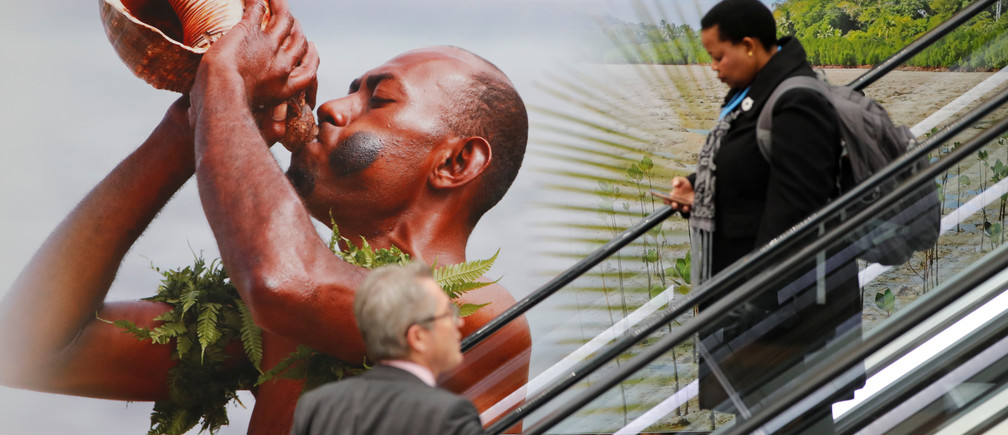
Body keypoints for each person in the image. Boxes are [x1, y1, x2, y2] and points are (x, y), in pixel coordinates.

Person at [0, 0, 530, 433]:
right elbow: (28, 348)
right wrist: (184, 132)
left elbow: (284, 283)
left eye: (379, 99)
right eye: (349, 88)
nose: (334, 108)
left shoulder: (477, 317)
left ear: (458, 162)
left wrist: (224, 81)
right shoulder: (291, 324)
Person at [659, 0, 862, 432]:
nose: (714, 67)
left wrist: (748, 304)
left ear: (749, 46)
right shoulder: (758, 95)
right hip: (767, 301)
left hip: (784, 306)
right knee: (778, 417)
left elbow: (797, 210)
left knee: (794, 417)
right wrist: (699, 186)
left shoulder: (796, 100)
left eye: (718, 55)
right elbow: (755, 171)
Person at [291, 261, 487, 435]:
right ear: (417, 337)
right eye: (448, 313)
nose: (459, 322)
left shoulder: (316, 408)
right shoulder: (447, 416)